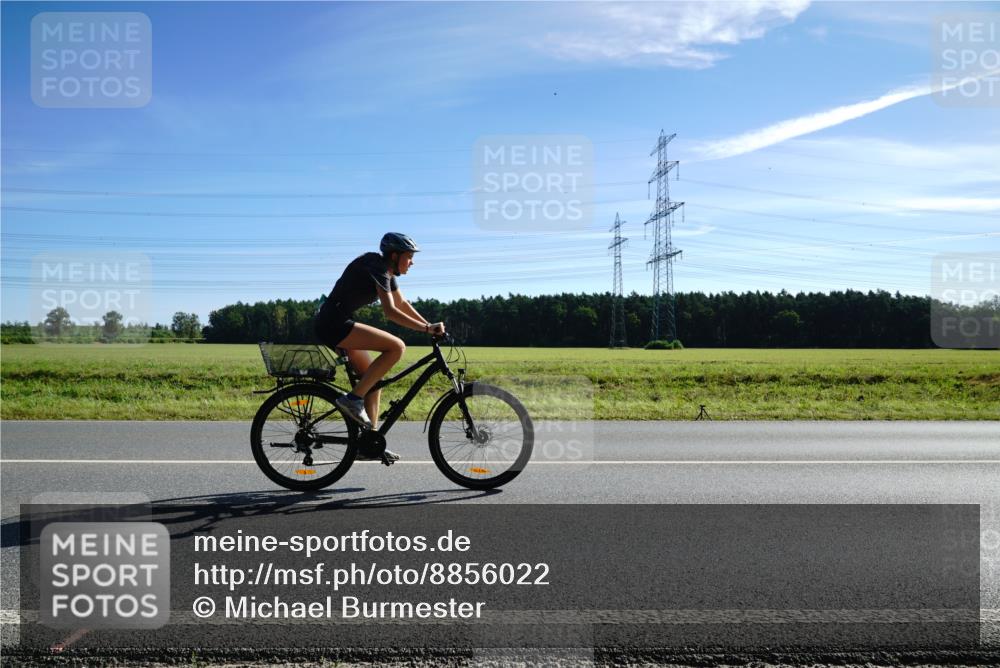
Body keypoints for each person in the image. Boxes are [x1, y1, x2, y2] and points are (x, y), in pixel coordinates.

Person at [314, 233, 445, 459]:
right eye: (409, 257)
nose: (412, 262)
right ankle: (352, 400)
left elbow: (402, 303)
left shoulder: (385, 270)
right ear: (395, 256)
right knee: (396, 347)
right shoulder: (377, 267)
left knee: (372, 382)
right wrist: (425, 330)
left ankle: (369, 443)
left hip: (334, 322)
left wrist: (428, 325)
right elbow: (391, 312)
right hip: (333, 323)